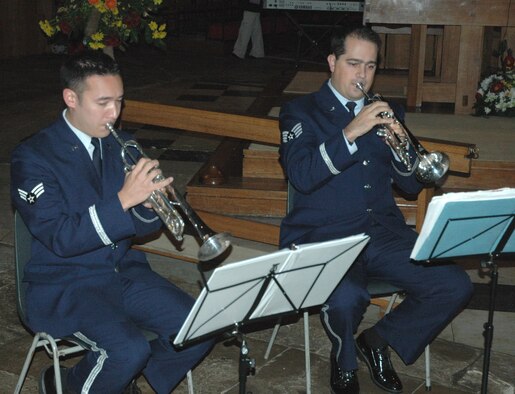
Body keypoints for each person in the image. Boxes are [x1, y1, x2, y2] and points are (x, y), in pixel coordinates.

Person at [278, 26, 473, 393]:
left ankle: (378, 340)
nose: (362, 75)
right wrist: (350, 132)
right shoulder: (299, 112)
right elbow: (302, 176)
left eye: (370, 66)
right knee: (347, 297)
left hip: (381, 233)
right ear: (332, 62)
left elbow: (412, 184)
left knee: (453, 284)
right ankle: (344, 359)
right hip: (325, 236)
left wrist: (403, 150)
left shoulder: (388, 110)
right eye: (353, 64)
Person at [10, 51, 212, 394]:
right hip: (65, 283)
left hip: (122, 272)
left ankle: (117, 378)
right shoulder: (32, 157)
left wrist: (151, 205)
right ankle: (68, 385)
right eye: (102, 102)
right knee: (127, 350)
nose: (114, 114)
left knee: (200, 326)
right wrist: (123, 199)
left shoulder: (124, 145)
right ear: (71, 98)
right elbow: (61, 237)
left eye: (119, 101)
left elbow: (142, 228)